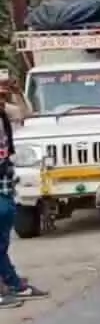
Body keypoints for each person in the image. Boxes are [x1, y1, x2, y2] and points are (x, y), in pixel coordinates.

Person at [1, 76, 45, 308]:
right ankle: (12, 285)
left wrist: (17, 93)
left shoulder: (4, 113)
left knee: (4, 232)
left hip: (5, 180)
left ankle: (11, 282)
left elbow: (25, 113)